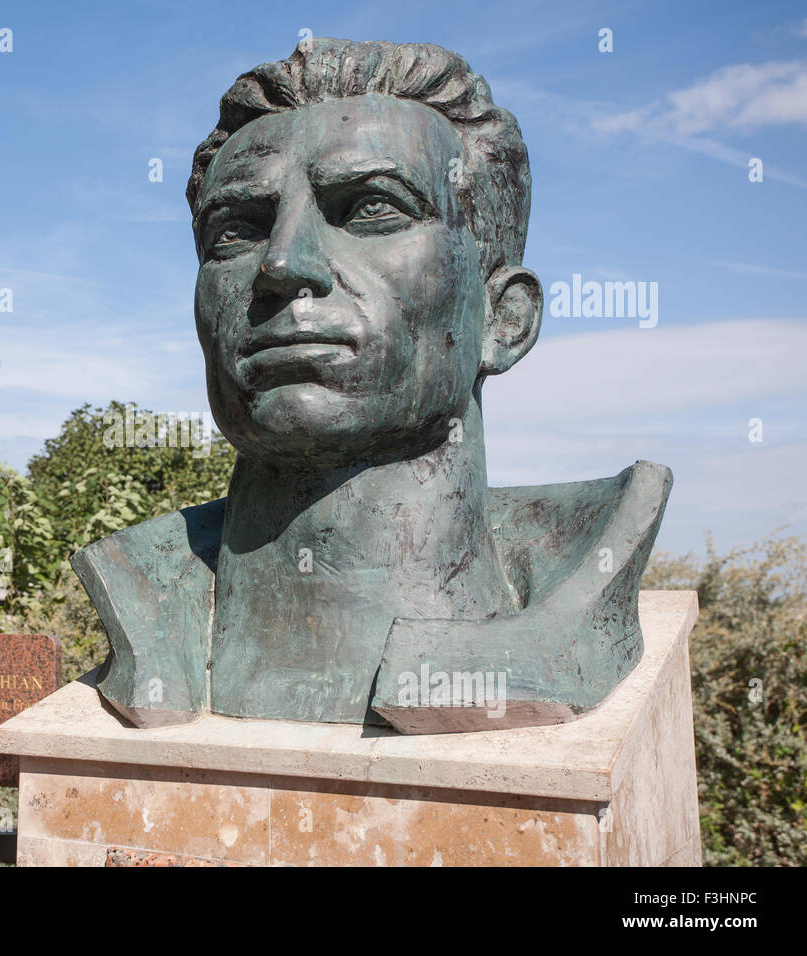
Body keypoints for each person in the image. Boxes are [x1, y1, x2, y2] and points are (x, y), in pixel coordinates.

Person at [72, 38, 670, 733]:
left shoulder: (581, 573)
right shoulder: (144, 585)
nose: (284, 263)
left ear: (503, 321)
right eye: (238, 229)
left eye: (371, 210)